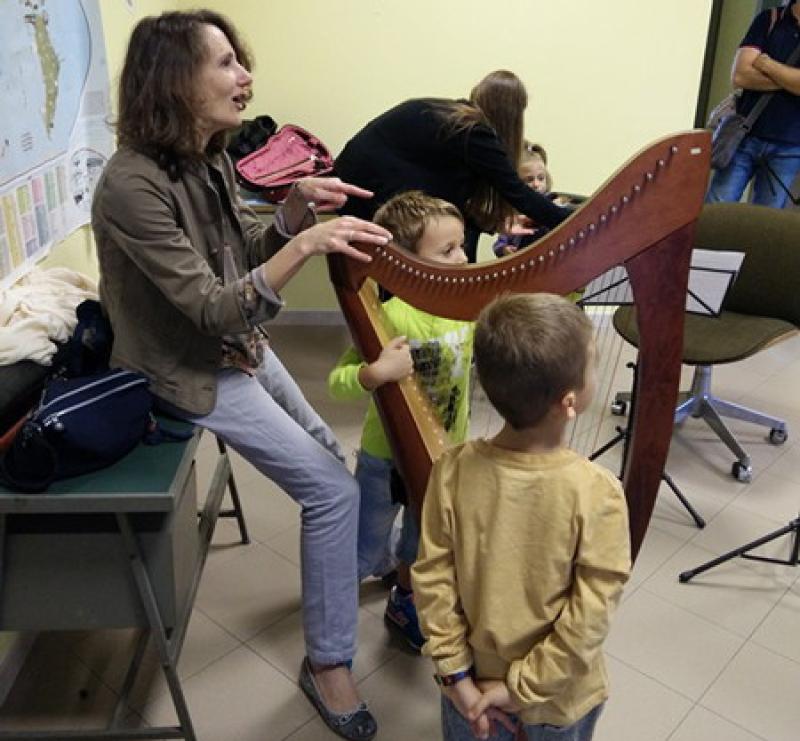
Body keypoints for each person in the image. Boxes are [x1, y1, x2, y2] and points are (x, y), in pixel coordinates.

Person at [90, 11, 393, 741]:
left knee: (328, 449)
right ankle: (328, 661)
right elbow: (213, 308)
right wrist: (310, 242)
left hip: (237, 348)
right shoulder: (131, 186)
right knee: (330, 487)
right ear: (173, 82)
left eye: (239, 60)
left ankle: (339, 576)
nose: (244, 76)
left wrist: (290, 213)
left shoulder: (209, 160)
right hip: (180, 370)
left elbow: (243, 255)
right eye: (224, 63)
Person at [412, 293, 631, 741]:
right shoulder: (598, 492)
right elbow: (590, 614)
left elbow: (432, 579)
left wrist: (456, 676)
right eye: (592, 366)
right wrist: (523, 688)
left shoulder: (451, 469)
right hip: (557, 700)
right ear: (569, 402)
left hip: (469, 689)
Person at [328, 191, 472, 652]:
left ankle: (404, 599)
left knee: (421, 542)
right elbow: (338, 381)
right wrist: (373, 374)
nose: (463, 257)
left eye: (463, 245)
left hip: (446, 452)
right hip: (383, 459)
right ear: (408, 263)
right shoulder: (389, 317)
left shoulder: (469, 309)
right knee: (366, 545)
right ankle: (335, 610)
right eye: (446, 250)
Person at [334, 71, 571, 262]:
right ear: (514, 113)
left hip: (352, 179)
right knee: (420, 239)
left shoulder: (455, 118)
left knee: (459, 218)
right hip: (364, 185)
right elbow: (518, 192)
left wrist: (491, 222)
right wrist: (579, 219)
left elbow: (466, 195)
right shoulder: (474, 132)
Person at [706, 0, 800, 208]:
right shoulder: (770, 19)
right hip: (744, 135)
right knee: (716, 208)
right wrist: (790, 80)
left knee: (764, 225)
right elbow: (740, 75)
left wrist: (767, 65)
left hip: (790, 145)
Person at [493, 141, 554, 257]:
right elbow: (500, 242)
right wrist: (504, 249)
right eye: (529, 180)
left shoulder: (551, 205)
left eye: (541, 178)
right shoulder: (512, 212)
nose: (536, 184)